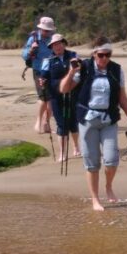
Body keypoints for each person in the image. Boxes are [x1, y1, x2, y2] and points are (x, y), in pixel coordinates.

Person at [58, 37, 127, 211]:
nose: (104, 59)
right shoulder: (85, 67)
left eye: (108, 55)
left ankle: (108, 186)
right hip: (87, 120)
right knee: (92, 162)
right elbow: (64, 89)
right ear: (94, 54)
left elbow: (123, 99)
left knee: (111, 160)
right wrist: (71, 72)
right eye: (101, 55)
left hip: (109, 120)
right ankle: (95, 199)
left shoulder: (116, 70)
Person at [39, 33, 81, 161]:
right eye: (54, 45)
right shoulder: (48, 60)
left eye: (59, 43)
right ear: (51, 47)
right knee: (61, 124)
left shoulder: (73, 56)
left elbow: (79, 71)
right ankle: (62, 153)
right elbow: (43, 75)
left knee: (73, 122)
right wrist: (42, 81)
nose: (57, 47)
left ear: (64, 44)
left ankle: (76, 147)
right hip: (55, 95)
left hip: (73, 93)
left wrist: (73, 84)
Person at [21, 16, 56, 132]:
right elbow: (25, 56)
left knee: (51, 98)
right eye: (45, 30)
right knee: (43, 97)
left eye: (49, 30)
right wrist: (31, 49)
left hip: (52, 70)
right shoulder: (34, 38)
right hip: (38, 71)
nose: (47, 32)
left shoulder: (54, 39)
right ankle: (38, 121)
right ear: (40, 29)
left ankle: (46, 123)